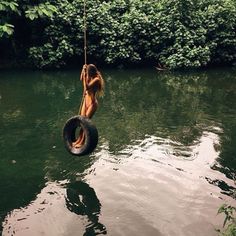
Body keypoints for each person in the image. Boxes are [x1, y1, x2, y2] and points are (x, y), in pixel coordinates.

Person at [73, 64, 104, 148]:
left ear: (91, 72)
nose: (87, 73)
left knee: (85, 123)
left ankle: (82, 142)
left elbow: (86, 87)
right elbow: (81, 79)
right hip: (85, 101)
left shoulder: (96, 79)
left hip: (92, 104)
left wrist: (84, 75)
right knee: (81, 122)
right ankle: (79, 140)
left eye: (87, 72)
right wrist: (83, 71)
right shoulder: (89, 77)